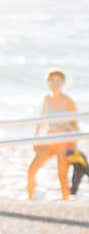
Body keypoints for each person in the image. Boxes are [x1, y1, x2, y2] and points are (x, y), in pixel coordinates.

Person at [28, 68, 79, 200]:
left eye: (58, 82)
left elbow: (75, 126)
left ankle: (66, 203)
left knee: (62, 176)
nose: (55, 85)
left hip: (63, 143)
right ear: (48, 83)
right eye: (52, 82)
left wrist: (73, 146)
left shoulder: (69, 101)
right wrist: (36, 139)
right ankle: (30, 201)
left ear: (63, 83)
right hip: (48, 142)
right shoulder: (46, 99)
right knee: (31, 171)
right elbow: (41, 121)